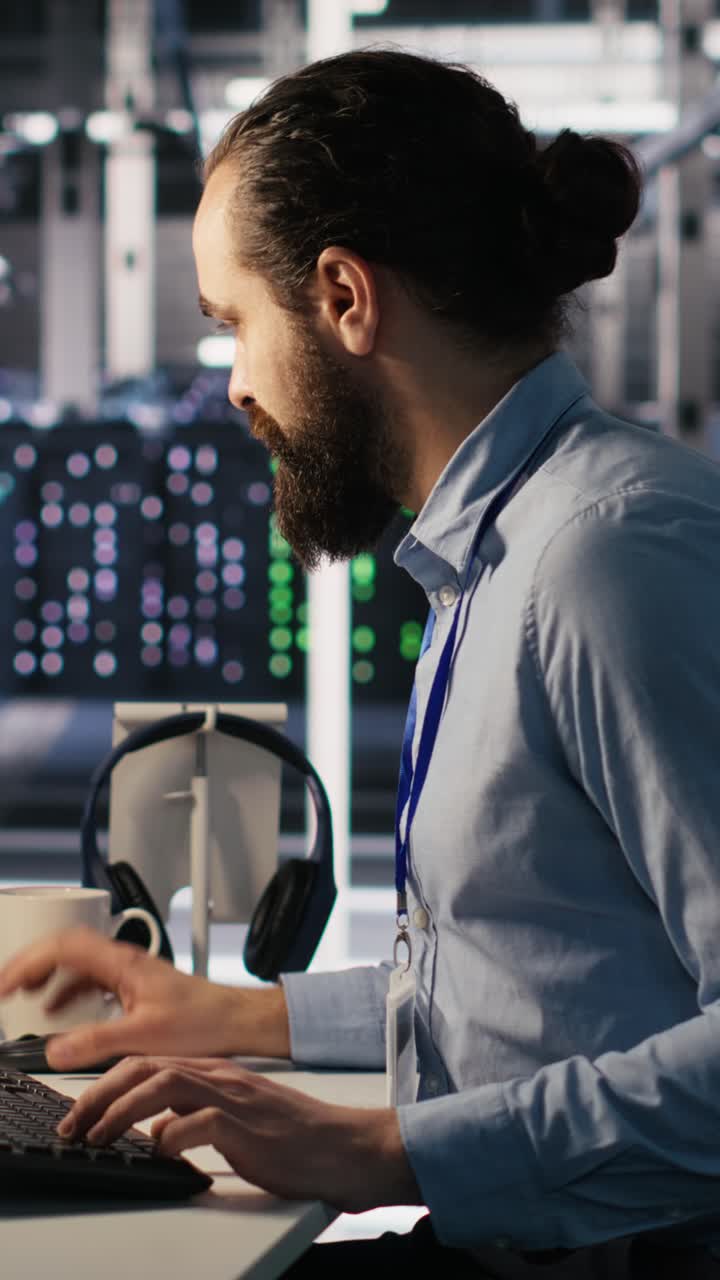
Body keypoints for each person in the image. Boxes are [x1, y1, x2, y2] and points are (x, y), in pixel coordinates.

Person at [3, 47, 720, 1279]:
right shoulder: (495, 547)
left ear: (344, 296)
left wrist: (386, 1148)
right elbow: (529, 974)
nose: (229, 385)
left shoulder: (604, 558)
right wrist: (234, 1016)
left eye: (234, 323)